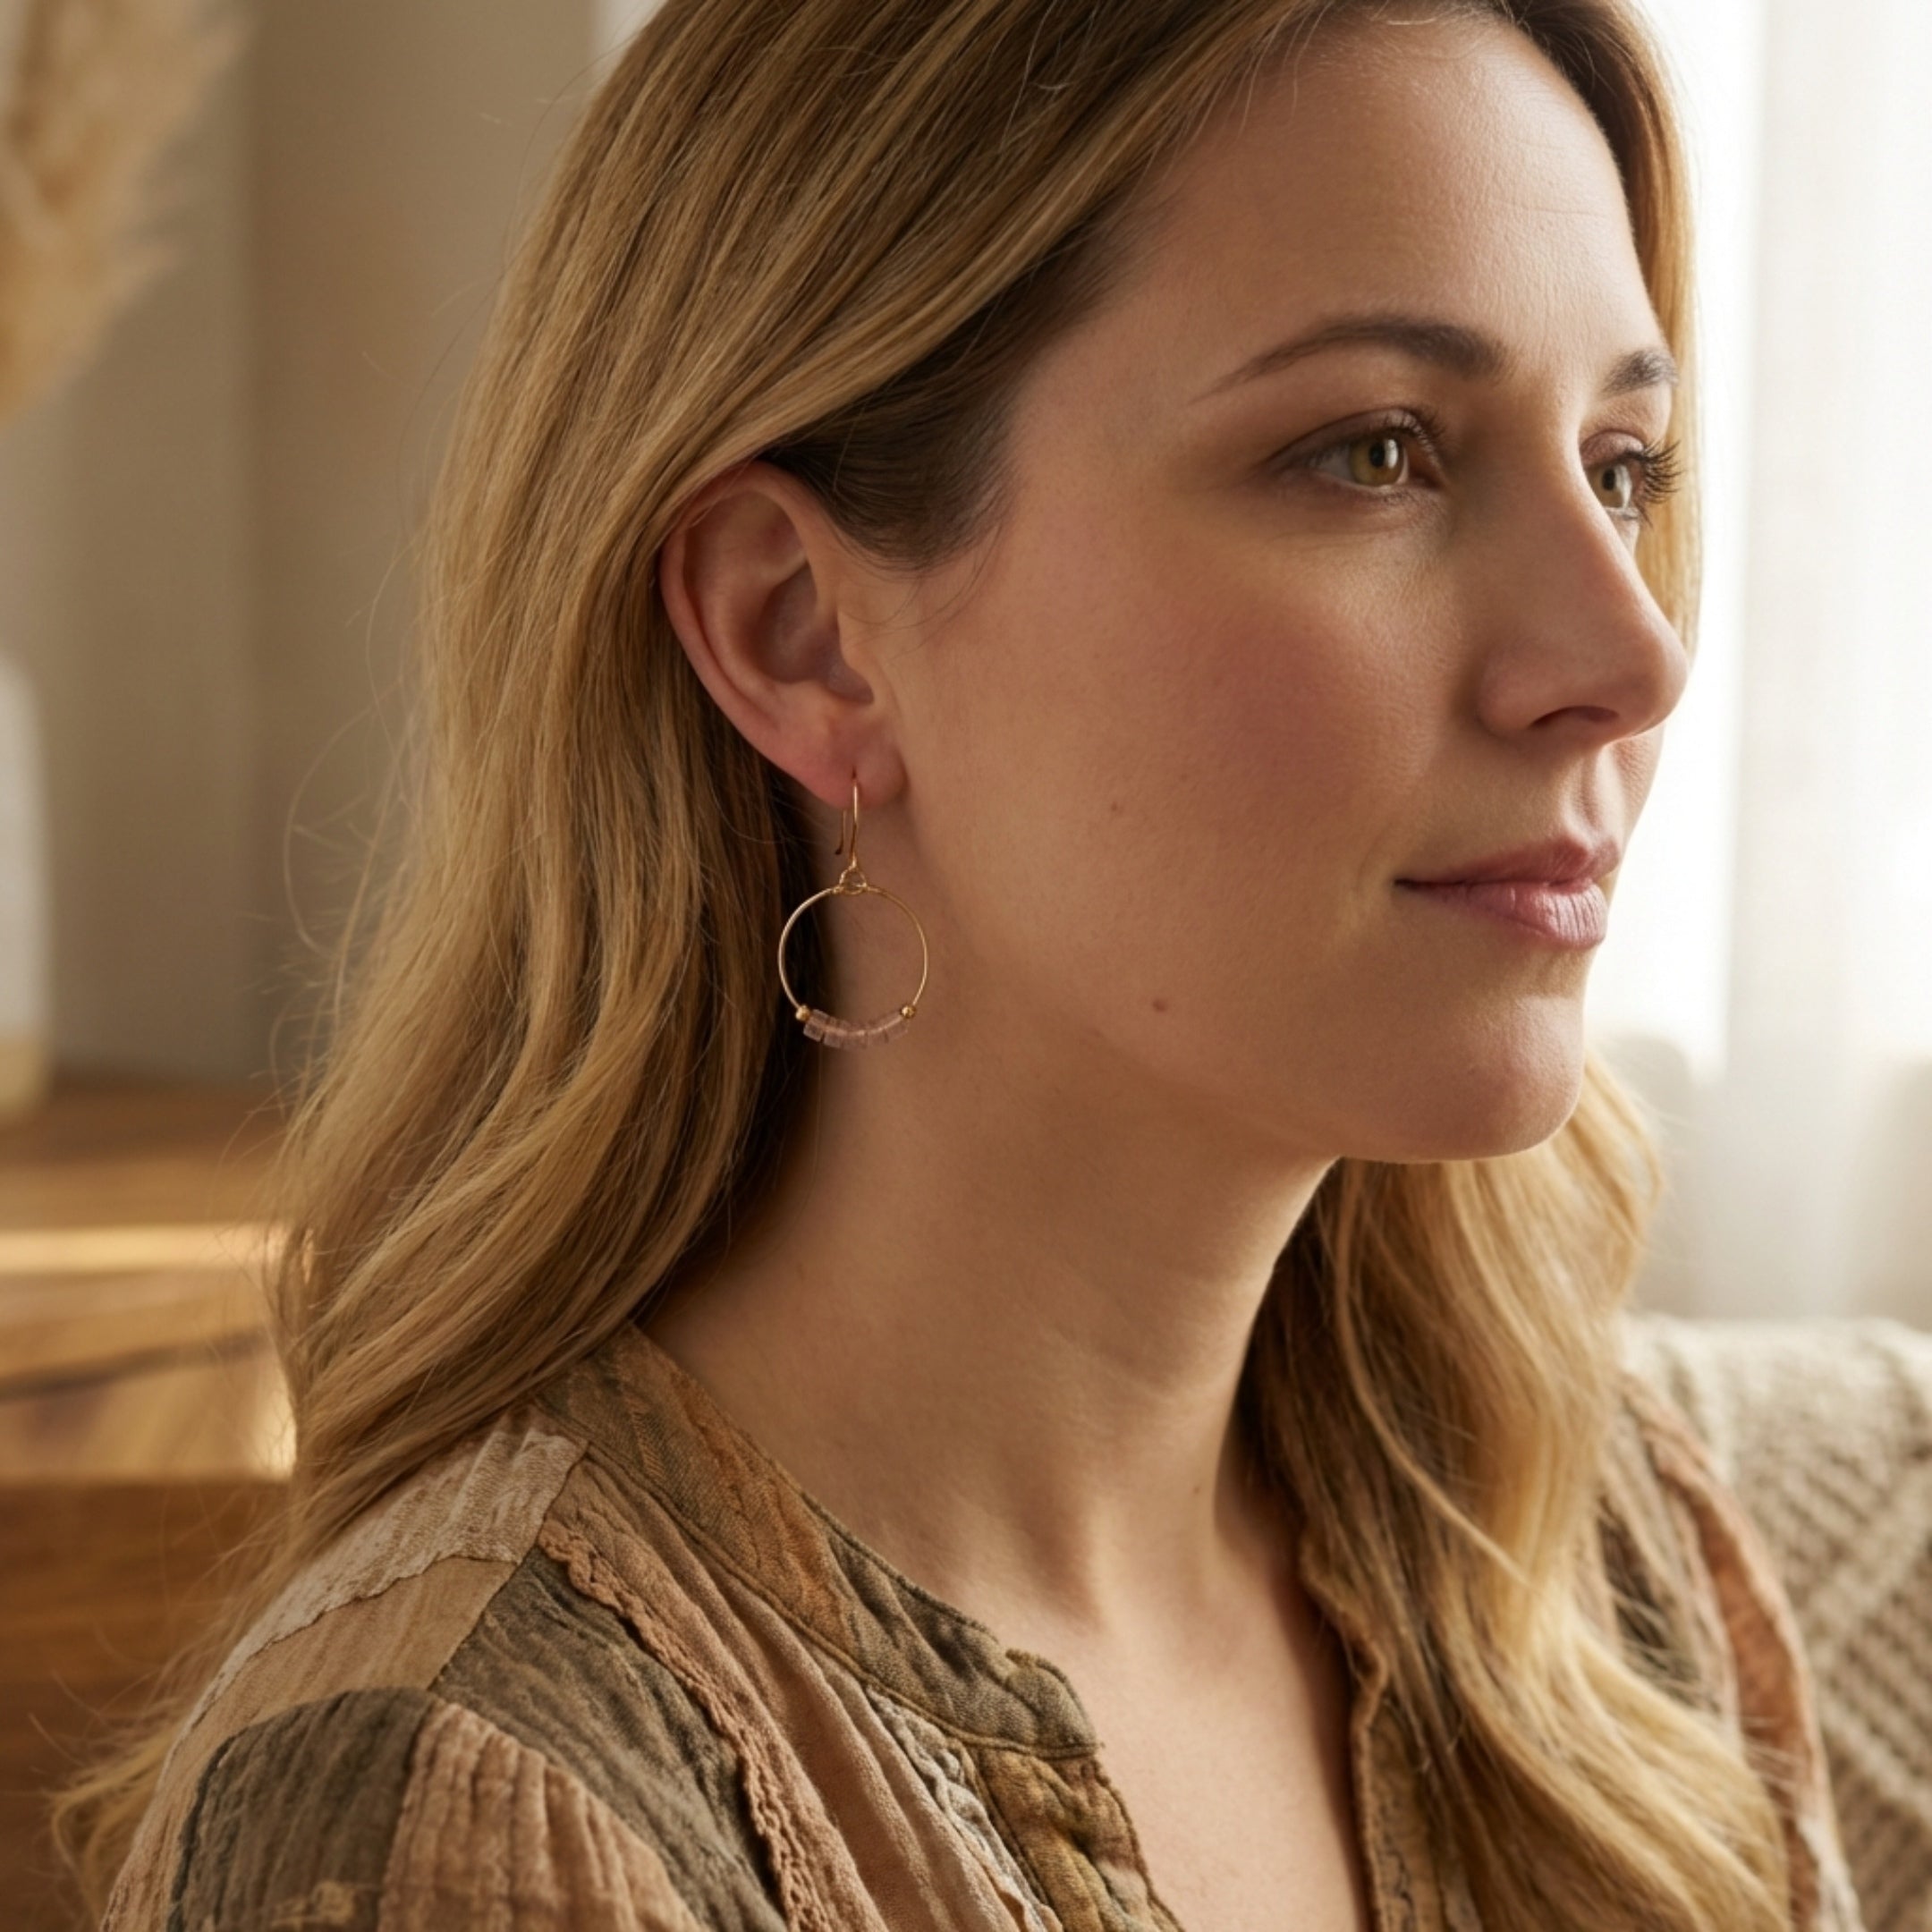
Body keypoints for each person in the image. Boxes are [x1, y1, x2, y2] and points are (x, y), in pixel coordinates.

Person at [59, 0, 1932, 1927]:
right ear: (802, 633)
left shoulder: (1606, 1576)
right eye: (1376, 452)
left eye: (1626, 462)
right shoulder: (476, 1812)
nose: (1630, 655)